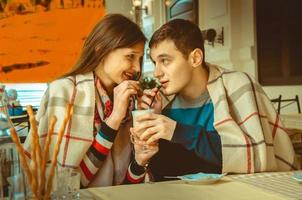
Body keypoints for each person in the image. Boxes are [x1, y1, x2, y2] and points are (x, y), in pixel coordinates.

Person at [125, 18, 298, 183]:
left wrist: (177, 131)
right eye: (155, 62)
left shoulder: (237, 85)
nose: (156, 72)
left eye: (165, 61)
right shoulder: (159, 103)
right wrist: (150, 131)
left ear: (195, 58)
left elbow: (257, 159)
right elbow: (158, 174)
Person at [23, 14, 146, 187]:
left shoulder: (130, 101)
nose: (137, 68)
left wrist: (141, 159)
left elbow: (126, 187)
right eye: (130, 56)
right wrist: (113, 120)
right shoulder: (65, 92)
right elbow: (65, 186)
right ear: (101, 48)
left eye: (140, 59)